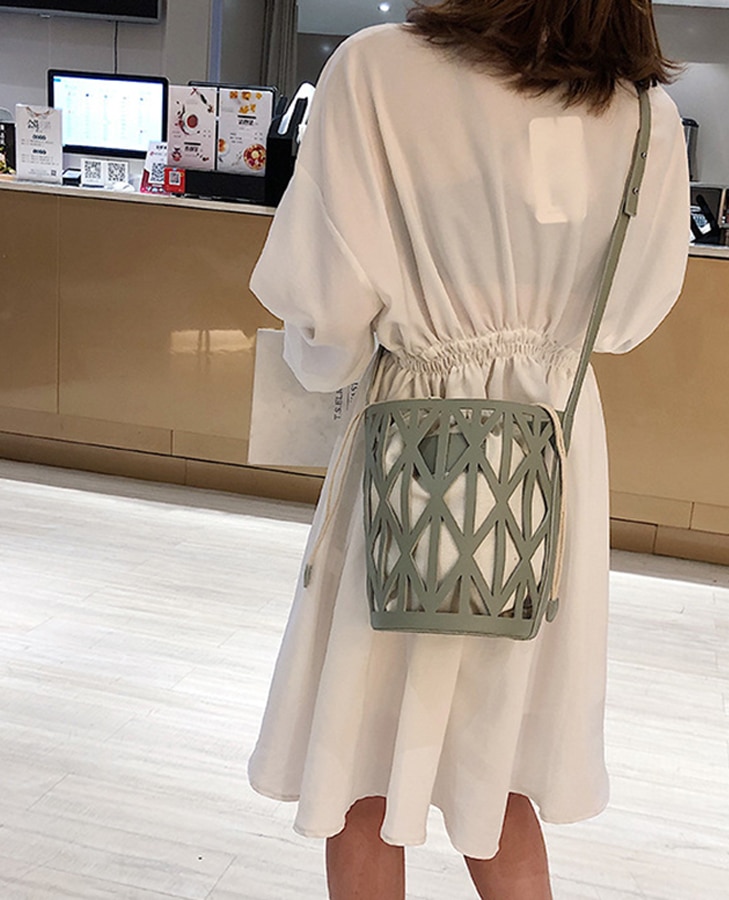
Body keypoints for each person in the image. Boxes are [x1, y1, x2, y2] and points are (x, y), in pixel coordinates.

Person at [248, 1, 690, 897]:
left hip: (415, 439)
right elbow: (629, 315)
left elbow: (328, 307)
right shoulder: (644, 113)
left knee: (363, 762)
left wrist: (331, 361)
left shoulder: (377, 70)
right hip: (548, 456)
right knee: (502, 759)